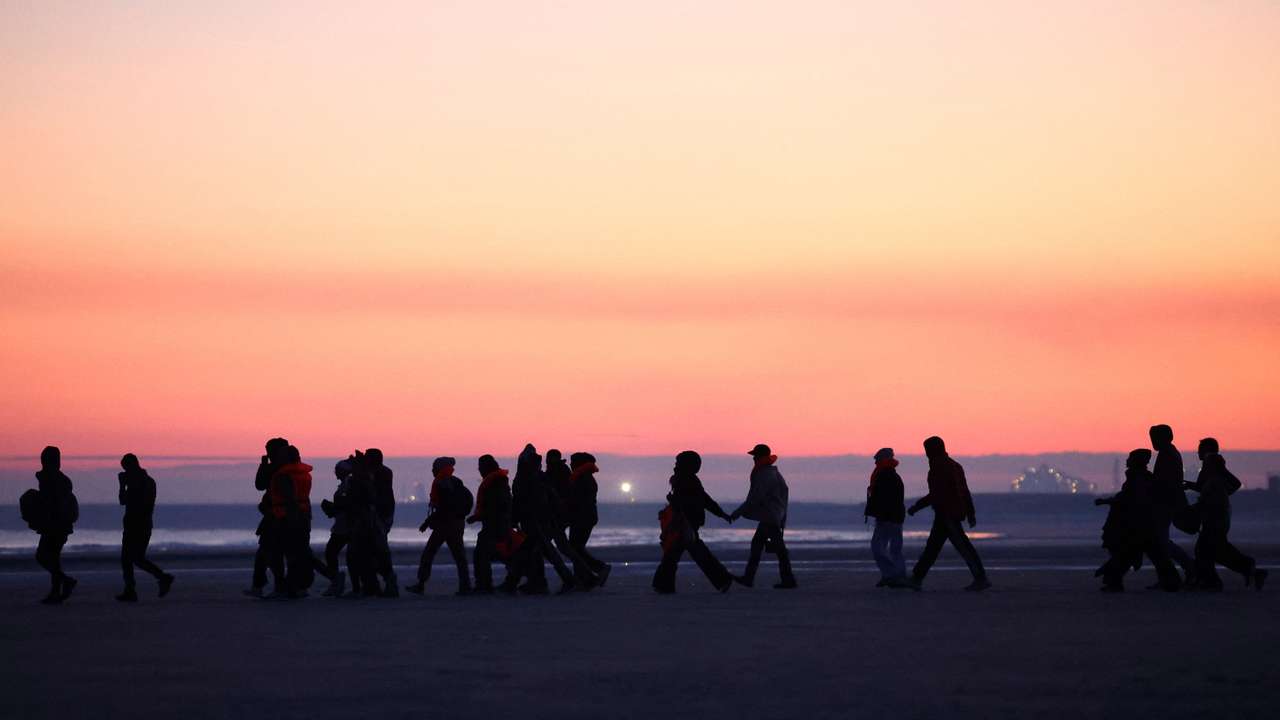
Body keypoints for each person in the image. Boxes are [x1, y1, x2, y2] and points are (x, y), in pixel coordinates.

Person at [906, 436, 990, 591]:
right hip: (948, 513)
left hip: (947, 514)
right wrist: (970, 513)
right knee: (933, 547)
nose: (926, 454)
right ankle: (917, 578)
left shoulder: (939, 467)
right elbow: (965, 492)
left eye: (927, 450)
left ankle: (981, 578)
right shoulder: (954, 465)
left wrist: (916, 507)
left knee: (961, 546)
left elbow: (936, 494)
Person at [1187, 438, 1268, 591]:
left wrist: (1218, 498)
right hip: (1217, 516)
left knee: (1205, 549)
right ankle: (1250, 571)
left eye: (1200, 449)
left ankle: (1212, 581)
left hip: (1216, 518)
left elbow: (1224, 486)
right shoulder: (1212, 467)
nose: (1197, 452)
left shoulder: (1212, 462)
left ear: (1206, 450)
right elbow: (1207, 487)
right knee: (1215, 549)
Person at [1094, 449, 1180, 592]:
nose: (1127, 461)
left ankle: (1113, 581)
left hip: (1137, 524)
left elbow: (1129, 498)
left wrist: (1108, 501)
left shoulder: (1138, 478)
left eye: (1130, 458)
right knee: (1153, 554)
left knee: (1129, 554)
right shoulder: (1142, 478)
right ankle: (1171, 581)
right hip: (1143, 523)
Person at [652, 450, 733, 594]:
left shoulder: (686, 480)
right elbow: (703, 500)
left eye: (678, 463)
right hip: (687, 522)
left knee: (676, 554)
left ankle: (663, 586)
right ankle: (722, 579)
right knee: (689, 553)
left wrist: (720, 513)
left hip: (685, 523)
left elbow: (698, 500)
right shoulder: (686, 479)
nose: (675, 465)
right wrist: (721, 514)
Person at [503, 444, 578, 594]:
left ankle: (524, 583)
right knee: (535, 552)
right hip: (538, 520)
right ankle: (534, 582)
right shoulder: (537, 477)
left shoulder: (529, 478)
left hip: (535, 521)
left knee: (536, 552)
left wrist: (514, 518)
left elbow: (523, 500)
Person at [730, 444, 796, 589]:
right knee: (762, 546)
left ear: (760, 457)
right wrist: (782, 513)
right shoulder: (773, 472)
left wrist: (737, 513)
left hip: (769, 516)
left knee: (776, 549)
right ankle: (751, 577)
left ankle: (786, 580)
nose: (753, 458)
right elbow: (785, 491)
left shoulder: (764, 474)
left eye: (755, 455)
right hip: (774, 514)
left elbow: (755, 497)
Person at [407, 457, 473, 595]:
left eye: (434, 467)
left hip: (446, 524)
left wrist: (428, 522)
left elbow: (444, 507)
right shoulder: (454, 482)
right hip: (456, 523)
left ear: (440, 468)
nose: (432, 470)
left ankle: (420, 584)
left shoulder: (443, 483)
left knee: (429, 554)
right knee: (459, 556)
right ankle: (465, 585)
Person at [116, 454, 175, 602]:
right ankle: (136, 587)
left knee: (130, 559)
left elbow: (123, 500)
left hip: (136, 525)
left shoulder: (139, 483)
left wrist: (122, 485)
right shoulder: (148, 481)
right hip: (142, 524)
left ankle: (156, 580)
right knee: (135, 558)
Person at [266, 445, 317, 599]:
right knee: (299, 554)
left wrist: (289, 518)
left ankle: (284, 588)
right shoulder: (304, 474)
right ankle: (299, 587)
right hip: (304, 516)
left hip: (286, 518)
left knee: (280, 554)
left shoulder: (284, 475)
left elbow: (289, 499)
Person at [1149, 424, 1196, 586]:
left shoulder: (1167, 454)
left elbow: (1164, 482)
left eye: (1155, 438)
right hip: (1167, 501)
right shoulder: (1170, 453)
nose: (1152, 442)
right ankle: (1182, 570)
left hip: (1166, 503)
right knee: (1161, 541)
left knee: (1160, 541)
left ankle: (1188, 567)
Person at [32, 446, 78, 604]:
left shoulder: (54, 480)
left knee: (43, 556)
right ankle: (55, 591)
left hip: (56, 525)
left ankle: (65, 582)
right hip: (57, 525)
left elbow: (53, 503)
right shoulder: (55, 479)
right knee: (53, 558)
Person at [245, 437, 289, 598]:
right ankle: (261, 585)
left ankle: (277, 586)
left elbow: (260, 484)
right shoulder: (282, 467)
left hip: (278, 517)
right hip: (276, 516)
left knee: (273, 553)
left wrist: (264, 465)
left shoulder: (279, 468)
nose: (268, 454)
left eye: (269, 451)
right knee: (267, 552)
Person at [469, 454, 513, 594]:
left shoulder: (496, 482)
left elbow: (496, 505)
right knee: (497, 553)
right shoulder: (497, 481)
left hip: (495, 524)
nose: (479, 470)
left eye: (481, 467)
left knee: (482, 554)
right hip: (496, 523)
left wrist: (480, 516)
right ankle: (489, 583)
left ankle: (484, 584)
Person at [864, 447, 907, 588]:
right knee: (895, 549)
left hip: (887, 518)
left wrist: (881, 515)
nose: (875, 462)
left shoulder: (884, 475)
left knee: (877, 547)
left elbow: (884, 499)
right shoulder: (891, 475)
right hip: (895, 517)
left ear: (882, 459)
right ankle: (897, 575)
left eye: (877, 459)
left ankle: (891, 575)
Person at [567, 452, 611, 586]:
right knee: (576, 547)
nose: (571, 464)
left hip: (583, 517)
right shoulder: (584, 477)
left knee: (575, 548)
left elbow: (579, 500)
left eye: (573, 462)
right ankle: (582, 577)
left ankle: (599, 568)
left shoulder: (583, 479)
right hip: (585, 517)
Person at [366, 448, 399, 597]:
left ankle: (386, 582)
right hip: (383, 515)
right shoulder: (384, 472)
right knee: (376, 550)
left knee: (378, 550)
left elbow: (374, 493)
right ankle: (380, 583)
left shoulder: (379, 473)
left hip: (379, 516)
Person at [318, 460, 353, 597]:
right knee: (334, 553)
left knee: (331, 552)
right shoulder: (345, 484)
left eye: (337, 471)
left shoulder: (349, 484)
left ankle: (337, 582)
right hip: (342, 525)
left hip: (346, 526)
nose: (336, 474)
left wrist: (333, 508)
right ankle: (337, 581)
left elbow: (348, 504)